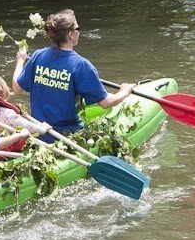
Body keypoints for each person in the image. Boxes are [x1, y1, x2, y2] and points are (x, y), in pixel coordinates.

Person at [12, 9, 136, 143]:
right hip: (68, 137)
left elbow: (16, 88)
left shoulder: (38, 56)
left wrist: (20, 60)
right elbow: (106, 103)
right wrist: (124, 92)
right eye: (78, 28)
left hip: (39, 133)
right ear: (70, 34)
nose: (79, 31)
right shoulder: (81, 65)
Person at [0, 74, 51, 153]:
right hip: (6, 151)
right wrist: (42, 129)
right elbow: (26, 125)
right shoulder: (7, 113)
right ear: (4, 92)